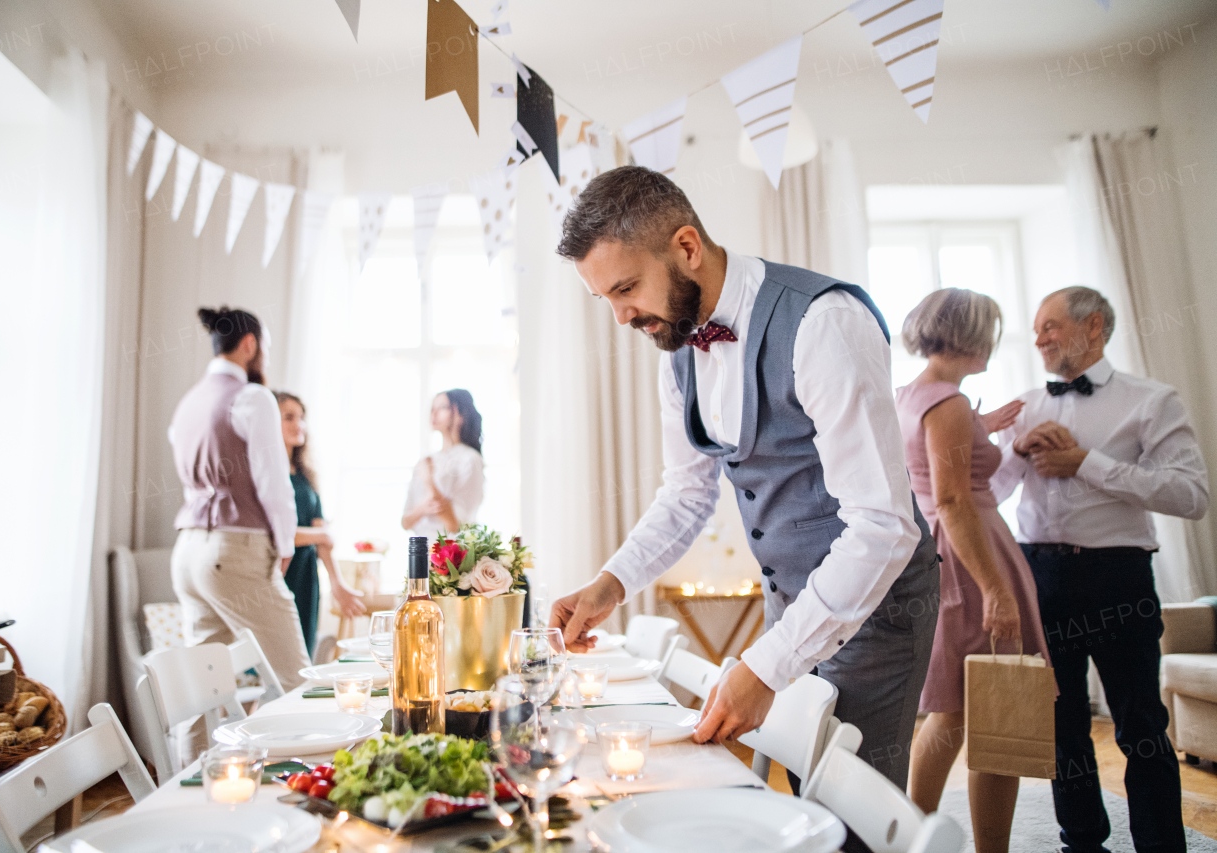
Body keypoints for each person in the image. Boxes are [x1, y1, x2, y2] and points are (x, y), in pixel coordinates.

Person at [548, 166, 941, 789]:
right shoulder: (676, 347)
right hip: (790, 604)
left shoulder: (824, 322)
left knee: (851, 813)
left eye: (626, 289)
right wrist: (610, 585)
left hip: (880, 608)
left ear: (686, 247)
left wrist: (763, 668)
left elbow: (884, 526)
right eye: (607, 301)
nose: (621, 318)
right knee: (795, 799)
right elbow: (685, 494)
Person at [992, 286, 1209, 853]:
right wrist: (1015, 455)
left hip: (1120, 578)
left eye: (1050, 326)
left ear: (1094, 327)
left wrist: (1088, 464)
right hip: (1040, 576)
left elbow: (1191, 495)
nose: (1038, 339)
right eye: (1036, 329)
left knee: (1141, 725)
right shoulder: (1025, 406)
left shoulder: (1153, 400)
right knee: (1061, 727)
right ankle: (1081, 843)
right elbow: (982, 497)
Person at [895, 289, 1050, 853]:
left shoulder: (912, 396)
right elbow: (955, 500)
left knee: (954, 711)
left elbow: (929, 468)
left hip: (941, 555)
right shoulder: (948, 404)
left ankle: (911, 833)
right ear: (971, 335)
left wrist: (981, 427)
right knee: (997, 714)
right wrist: (996, 591)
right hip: (972, 558)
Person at [168, 307, 309, 692]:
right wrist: (284, 546)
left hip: (188, 552)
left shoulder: (187, 404)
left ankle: (192, 757)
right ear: (249, 345)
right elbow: (273, 482)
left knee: (203, 692)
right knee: (296, 679)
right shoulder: (252, 398)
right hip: (235, 551)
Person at [275, 391, 367, 658]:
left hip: (306, 577)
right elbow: (279, 535)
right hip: (280, 575)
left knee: (302, 655)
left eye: (301, 417)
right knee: (277, 661)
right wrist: (321, 535)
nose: (299, 424)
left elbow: (322, 539)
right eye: (289, 417)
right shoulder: (267, 475)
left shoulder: (305, 475)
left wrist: (337, 584)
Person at [400, 389, 485, 540]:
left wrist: (429, 481)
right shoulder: (425, 461)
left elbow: (455, 525)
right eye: (432, 409)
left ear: (461, 414)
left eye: (442, 407)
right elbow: (405, 522)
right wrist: (421, 509)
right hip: (420, 551)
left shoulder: (470, 459)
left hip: (449, 555)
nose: (434, 414)